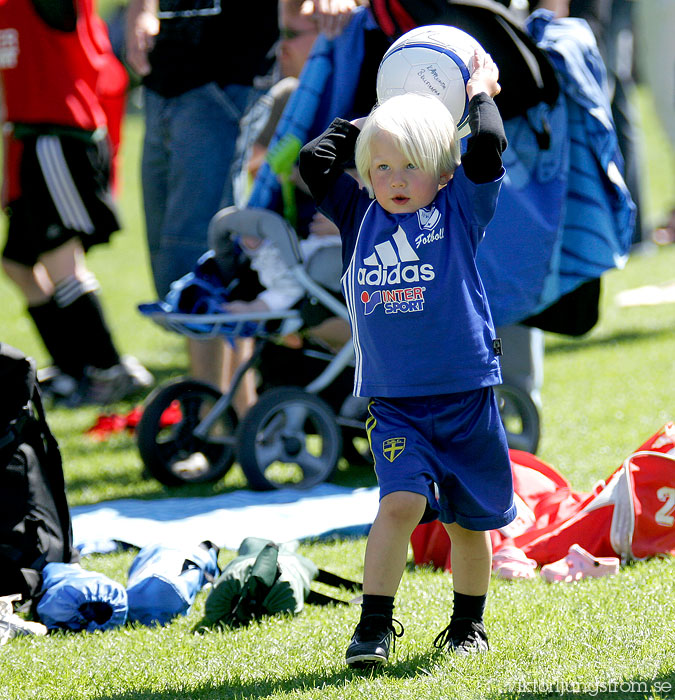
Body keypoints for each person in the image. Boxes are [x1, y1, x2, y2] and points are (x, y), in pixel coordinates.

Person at [299, 52, 516, 666]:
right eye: (382, 166)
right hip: (395, 404)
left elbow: (488, 146)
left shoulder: (458, 209)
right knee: (399, 504)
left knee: (468, 526)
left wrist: (477, 95)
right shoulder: (357, 214)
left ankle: (467, 625)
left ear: (443, 173)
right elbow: (313, 161)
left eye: (411, 167)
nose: (394, 179)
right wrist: (379, 112)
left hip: (466, 397)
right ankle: (373, 626)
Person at [0, 0, 153, 406]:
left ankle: (111, 368)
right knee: (16, 263)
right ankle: (71, 368)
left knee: (61, 261)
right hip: (29, 145)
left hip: (60, 140)